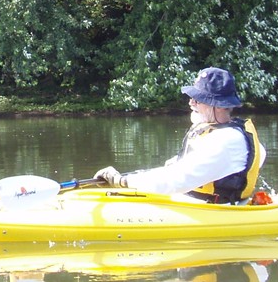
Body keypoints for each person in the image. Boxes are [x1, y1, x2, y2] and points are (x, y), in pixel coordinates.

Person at [94, 67, 265, 203]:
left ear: (219, 106)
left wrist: (122, 182)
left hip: (214, 211)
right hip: (196, 203)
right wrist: (129, 179)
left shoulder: (227, 140)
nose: (191, 102)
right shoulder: (213, 130)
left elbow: (175, 181)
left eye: (198, 99)